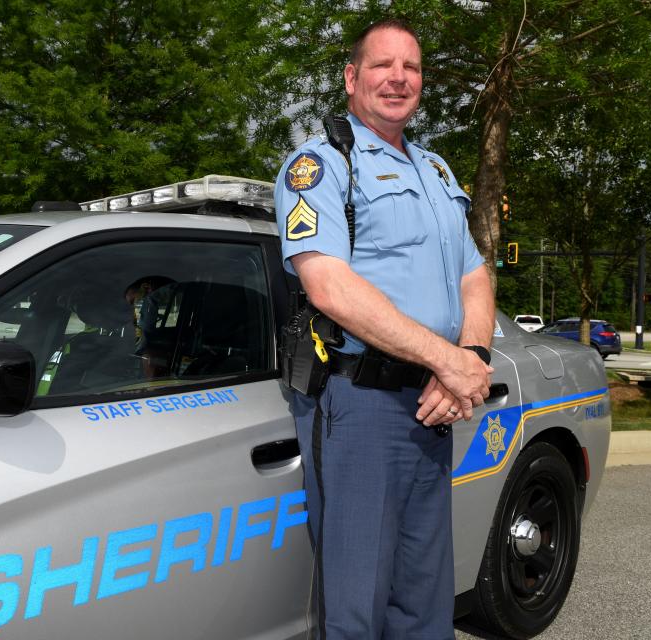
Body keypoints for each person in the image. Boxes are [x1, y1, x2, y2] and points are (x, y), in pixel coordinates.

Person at [274, 19, 495, 640]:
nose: (398, 78)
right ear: (351, 78)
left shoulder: (436, 171)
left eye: (412, 68)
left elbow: (474, 277)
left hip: (433, 406)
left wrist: (468, 356)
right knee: (356, 607)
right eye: (381, 65)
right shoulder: (320, 165)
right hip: (362, 408)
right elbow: (328, 286)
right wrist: (446, 361)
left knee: (425, 603)